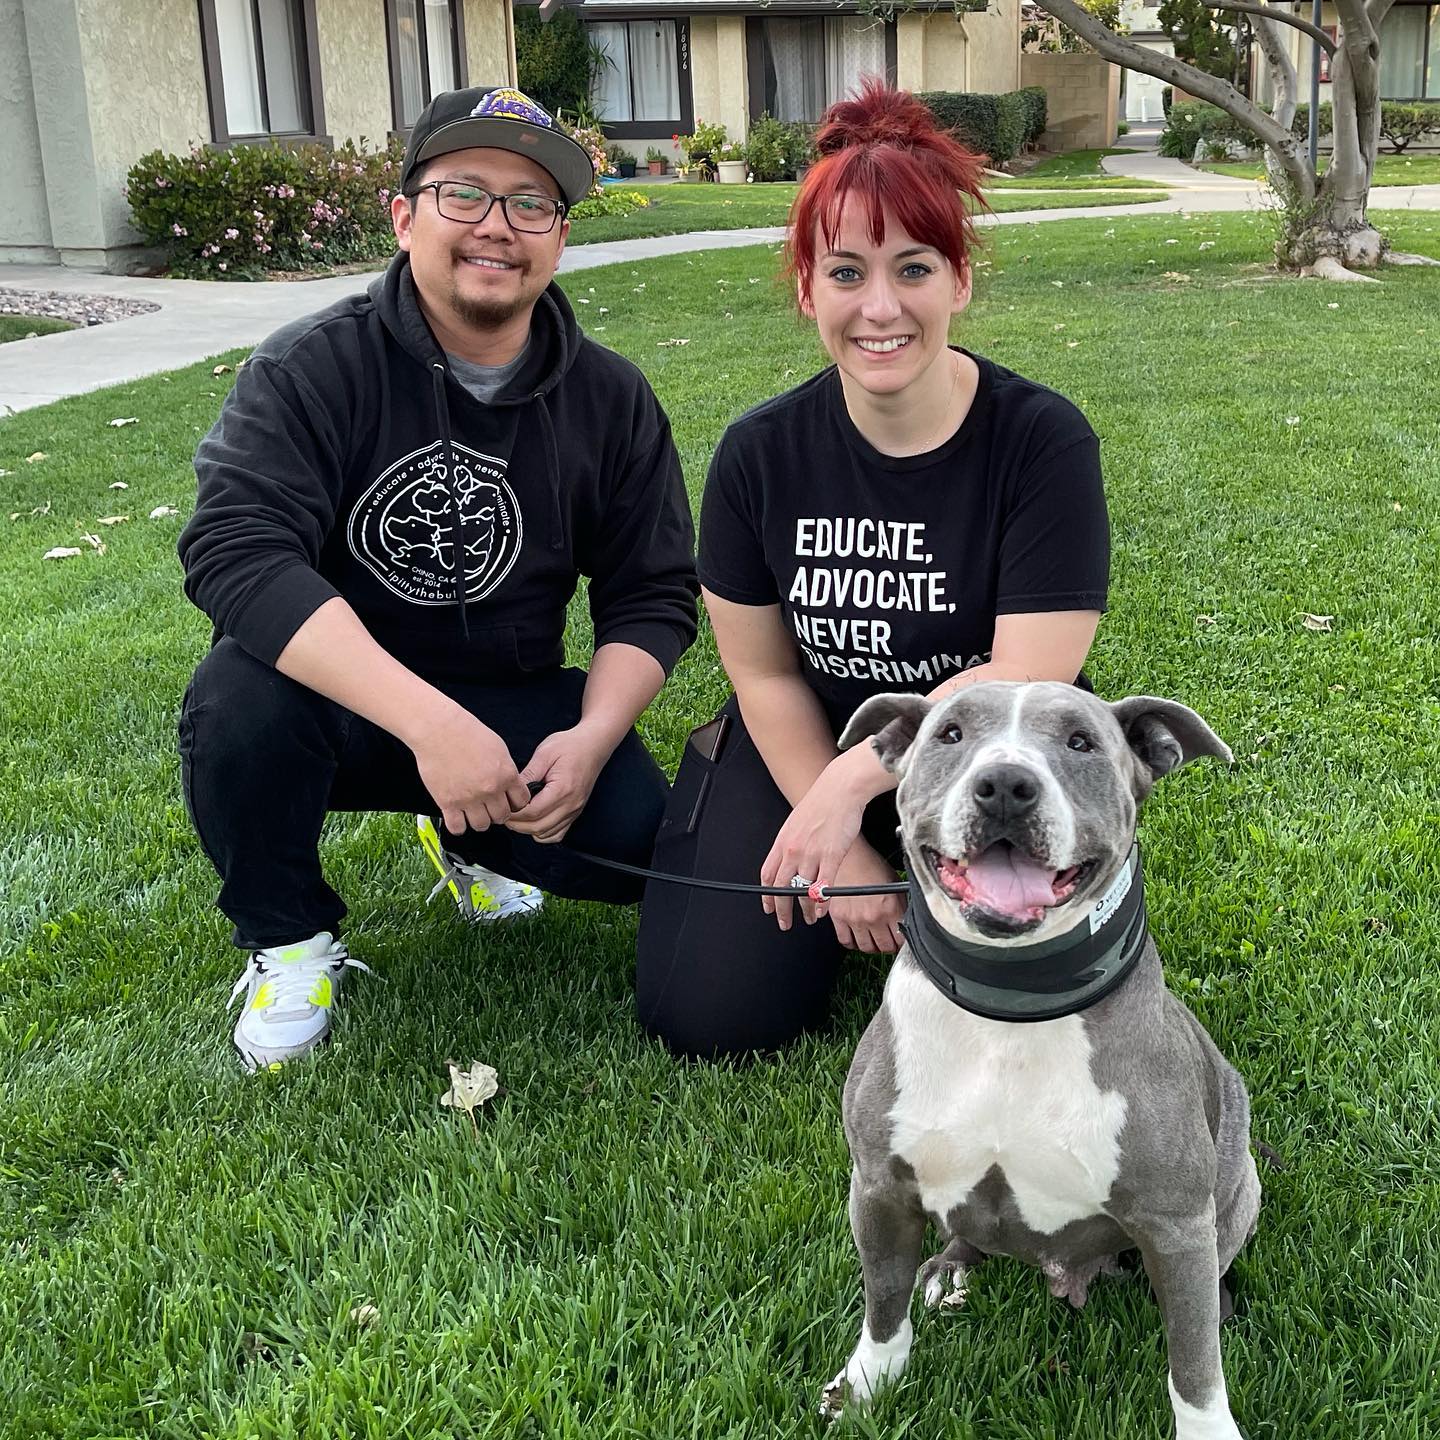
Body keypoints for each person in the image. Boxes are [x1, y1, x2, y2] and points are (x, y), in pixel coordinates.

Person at [178, 87, 698, 1070]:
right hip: (336, 705)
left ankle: (464, 834)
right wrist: (430, 726)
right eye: (465, 193)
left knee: (639, 844)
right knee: (235, 699)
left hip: (511, 700)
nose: (498, 227)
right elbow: (234, 550)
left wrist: (593, 736)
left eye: (531, 203)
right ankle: (288, 940)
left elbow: (654, 589)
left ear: (558, 235)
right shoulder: (307, 369)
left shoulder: (611, 398)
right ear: (404, 215)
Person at [635, 80, 1109, 1058]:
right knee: (711, 1018)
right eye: (847, 273)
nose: (880, 307)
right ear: (810, 289)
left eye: (914, 268)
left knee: (1028, 1018)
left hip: (993, 753)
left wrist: (857, 788)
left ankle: (973, 882)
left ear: (959, 281)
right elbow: (763, 672)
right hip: (809, 736)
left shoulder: (1040, 441)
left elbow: (1029, 674)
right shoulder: (759, 455)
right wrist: (836, 833)